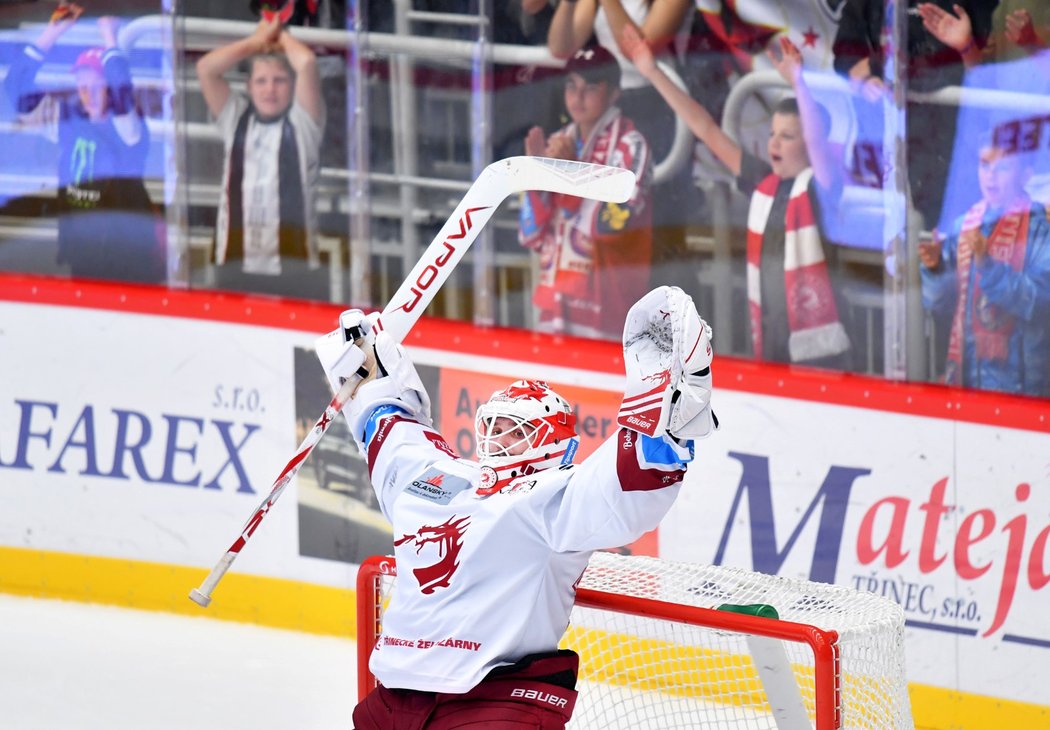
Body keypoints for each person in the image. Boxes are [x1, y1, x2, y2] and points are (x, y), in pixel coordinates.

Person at [315, 285, 716, 729]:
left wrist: (666, 416)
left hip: (493, 702)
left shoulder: (551, 495)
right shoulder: (440, 479)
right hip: (392, 701)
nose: (499, 437)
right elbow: (392, 432)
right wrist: (366, 379)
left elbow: (628, 485)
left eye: (517, 428)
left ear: (553, 444)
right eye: (495, 424)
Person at [623, 27, 854, 369]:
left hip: (824, 356)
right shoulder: (764, 183)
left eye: (788, 136)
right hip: (773, 344)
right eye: (773, 133)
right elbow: (706, 129)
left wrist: (798, 83)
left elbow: (818, 144)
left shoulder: (823, 187)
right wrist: (651, 71)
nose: (774, 143)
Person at [3, 7, 165, 283]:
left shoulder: (128, 127)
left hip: (129, 256)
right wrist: (53, 32)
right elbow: (15, 87)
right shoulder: (68, 122)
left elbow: (123, 90)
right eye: (81, 85)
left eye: (96, 85)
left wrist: (109, 37)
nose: (87, 94)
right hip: (83, 251)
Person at [518, 44, 653, 341]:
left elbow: (613, 225)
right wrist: (536, 180)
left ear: (615, 93)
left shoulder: (631, 146)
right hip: (554, 307)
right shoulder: (557, 142)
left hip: (611, 307)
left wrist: (572, 176)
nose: (577, 97)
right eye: (571, 86)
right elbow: (529, 235)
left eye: (590, 88)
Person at [831, 0, 998, 232]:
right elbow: (843, 60)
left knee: (950, 239)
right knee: (896, 239)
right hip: (888, 141)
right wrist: (865, 82)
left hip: (954, 138)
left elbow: (963, 64)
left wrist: (874, 65)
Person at [196, 17, 326, 299]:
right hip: (234, 263)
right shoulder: (235, 118)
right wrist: (255, 42)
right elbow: (206, 69)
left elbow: (306, 64)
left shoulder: (302, 124)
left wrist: (277, 33)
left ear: (291, 86)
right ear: (249, 87)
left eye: (279, 81)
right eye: (262, 81)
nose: (270, 89)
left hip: (295, 267)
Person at [919, 131, 1050, 396]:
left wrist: (988, 266)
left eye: (1002, 167)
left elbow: (1040, 301)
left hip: (1026, 385)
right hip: (969, 378)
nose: (990, 175)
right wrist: (935, 270)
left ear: (1025, 175)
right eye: (984, 165)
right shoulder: (964, 224)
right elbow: (940, 305)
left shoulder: (1039, 229)